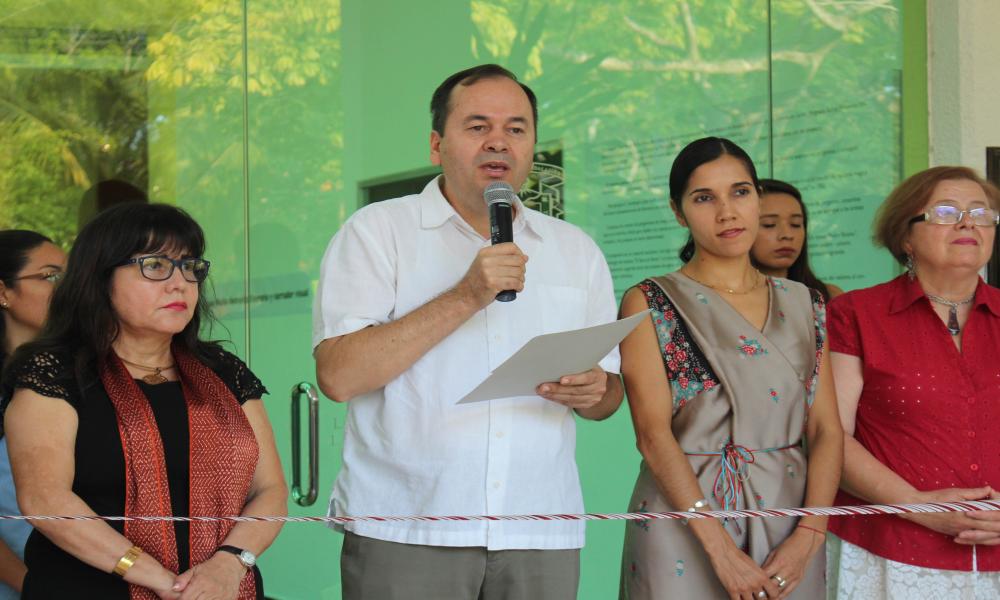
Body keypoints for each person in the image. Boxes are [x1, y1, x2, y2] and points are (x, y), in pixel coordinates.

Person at [313, 63, 623, 600]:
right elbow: (339, 375)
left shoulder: (575, 250)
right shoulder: (378, 231)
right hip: (408, 524)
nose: (498, 142)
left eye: (516, 128)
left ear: (531, 146)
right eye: (477, 126)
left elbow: (609, 397)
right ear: (437, 144)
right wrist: (466, 295)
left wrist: (595, 390)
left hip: (539, 527)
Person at [1, 203, 287, 599]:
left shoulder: (222, 372)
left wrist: (229, 564)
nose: (179, 283)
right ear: (100, 278)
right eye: (155, 266)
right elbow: (45, 500)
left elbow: (270, 489)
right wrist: (160, 580)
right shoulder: (56, 371)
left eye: (190, 267)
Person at [618, 137, 843, 600]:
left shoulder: (804, 303)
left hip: (789, 516)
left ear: (758, 197)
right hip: (684, 520)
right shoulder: (651, 301)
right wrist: (719, 550)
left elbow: (826, 429)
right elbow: (653, 435)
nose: (726, 212)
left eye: (740, 192)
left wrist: (810, 535)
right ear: (678, 212)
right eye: (704, 198)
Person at [827, 166, 1000, 598]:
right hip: (889, 551)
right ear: (906, 235)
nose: (968, 222)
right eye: (946, 211)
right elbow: (830, 436)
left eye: (981, 213)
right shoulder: (855, 314)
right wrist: (918, 507)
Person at [0, 230, 66, 598]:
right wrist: (34, 587)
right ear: (3, 292)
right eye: (49, 275)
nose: (66, 289)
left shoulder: (85, 376)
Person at [751, 178, 843, 301]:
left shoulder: (829, 295)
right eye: (769, 224)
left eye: (795, 224)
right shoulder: (725, 299)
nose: (787, 235)